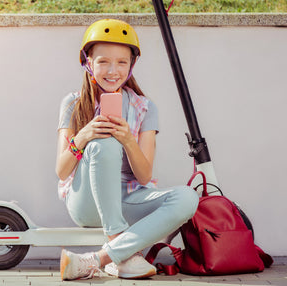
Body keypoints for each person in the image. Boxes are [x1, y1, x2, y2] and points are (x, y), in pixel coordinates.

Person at [56, 19, 199, 280]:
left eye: (122, 62)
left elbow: (144, 177)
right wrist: (84, 136)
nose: (113, 71)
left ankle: (99, 259)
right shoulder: (73, 103)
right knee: (104, 143)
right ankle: (117, 239)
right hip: (85, 201)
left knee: (188, 198)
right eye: (103, 61)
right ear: (88, 62)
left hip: (128, 200)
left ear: (132, 65)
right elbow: (61, 170)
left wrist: (129, 141)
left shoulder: (145, 108)